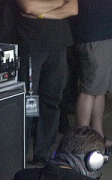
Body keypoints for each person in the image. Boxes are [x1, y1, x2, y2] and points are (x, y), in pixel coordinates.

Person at [13, 0, 78, 165]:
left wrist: (41, 13)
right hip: (30, 44)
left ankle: (43, 153)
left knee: (52, 100)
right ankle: (19, 153)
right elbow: (28, 7)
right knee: (28, 104)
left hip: (58, 44)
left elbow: (73, 8)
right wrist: (58, 4)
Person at [71, 0, 112, 151]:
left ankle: (97, 137)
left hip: (111, 29)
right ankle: (82, 142)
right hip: (95, 30)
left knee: (100, 89)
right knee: (90, 89)